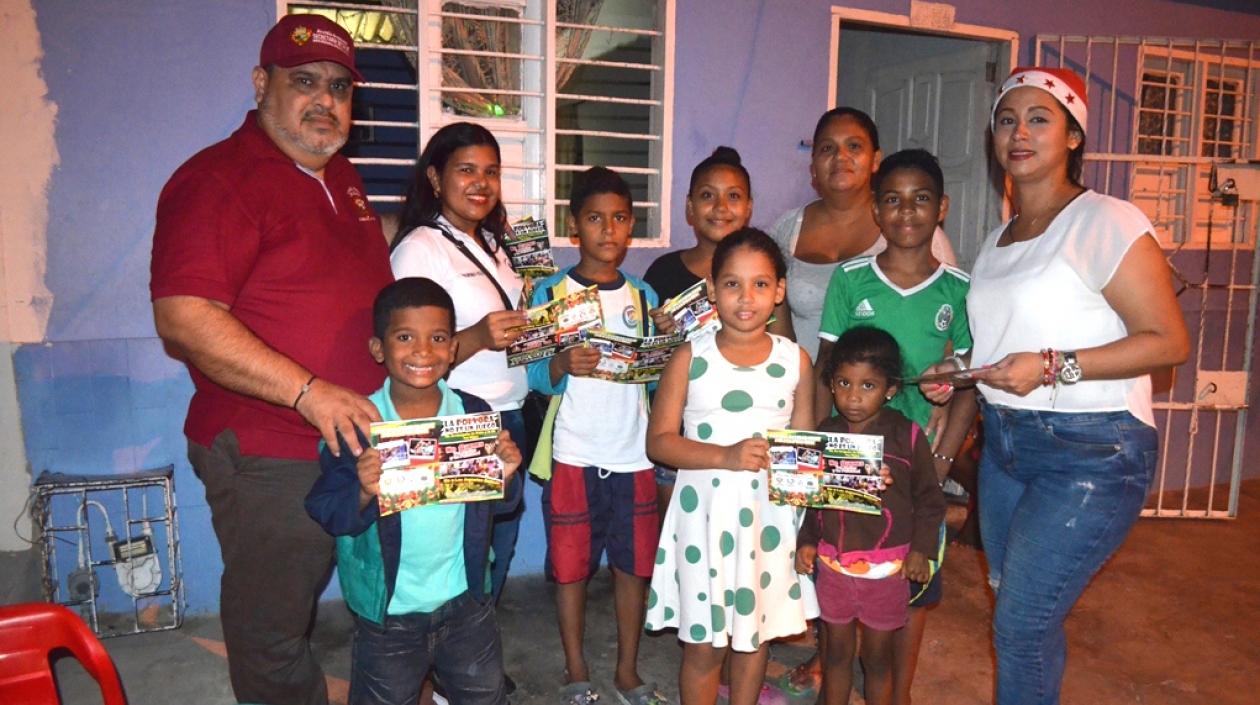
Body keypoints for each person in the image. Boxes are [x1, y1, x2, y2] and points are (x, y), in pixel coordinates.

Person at [923, 66, 1189, 705]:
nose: (1019, 133)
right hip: (1008, 450)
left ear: (1073, 136)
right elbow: (996, 343)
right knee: (1023, 610)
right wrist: (957, 367)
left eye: (1039, 118)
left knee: (1020, 622)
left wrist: (1051, 366)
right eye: (1006, 120)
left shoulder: (1107, 220)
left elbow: (1168, 341)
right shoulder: (997, 241)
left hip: (1092, 451)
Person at [149, 15, 392, 705]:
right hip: (272, 452)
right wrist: (310, 390)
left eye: (340, 88)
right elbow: (184, 316)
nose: (326, 100)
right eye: (305, 81)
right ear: (262, 84)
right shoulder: (219, 179)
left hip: (353, 440)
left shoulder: (339, 175)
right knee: (273, 632)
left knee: (370, 604)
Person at [305, 277, 523, 705]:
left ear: (453, 349)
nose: (423, 351)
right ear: (378, 348)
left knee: (485, 696)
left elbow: (500, 507)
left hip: (466, 604)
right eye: (405, 337)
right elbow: (327, 509)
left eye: (438, 338)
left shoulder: (473, 415)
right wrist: (364, 491)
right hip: (389, 614)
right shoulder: (357, 423)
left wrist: (506, 475)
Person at [816, 148, 977, 704]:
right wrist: (821, 450)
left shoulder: (958, 290)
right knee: (843, 571)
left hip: (918, 464)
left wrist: (943, 458)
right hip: (851, 462)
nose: (907, 212)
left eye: (921, 199)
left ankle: (897, 693)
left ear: (942, 209)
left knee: (910, 587)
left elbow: (970, 384)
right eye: (892, 200)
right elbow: (823, 371)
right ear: (876, 211)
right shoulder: (851, 280)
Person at [644, 228, 818, 705]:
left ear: (780, 291)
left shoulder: (796, 361)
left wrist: (850, 481)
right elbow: (659, 443)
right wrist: (725, 456)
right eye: (732, 284)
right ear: (712, 291)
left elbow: (803, 451)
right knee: (702, 648)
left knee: (754, 636)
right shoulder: (690, 356)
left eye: (761, 284)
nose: (746, 298)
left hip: (769, 523)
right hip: (705, 520)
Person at [526, 167, 668, 705]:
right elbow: (535, 376)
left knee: (634, 567)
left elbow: (654, 377)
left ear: (630, 226)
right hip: (574, 453)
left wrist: (664, 347)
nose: (608, 230)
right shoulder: (551, 291)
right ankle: (576, 668)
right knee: (571, 569)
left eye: (618, 219)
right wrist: (561, 360)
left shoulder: (644, 294)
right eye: (594, 219)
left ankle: (627, 670)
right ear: (573, 227)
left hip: (633, 454)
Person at [390, 122, 531, 607]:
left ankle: (474, 659)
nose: (481, 183)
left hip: (511, 412)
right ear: (434, 178)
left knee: (500, 542)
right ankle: (454, 671)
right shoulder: (420, 248)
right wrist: (476, 336)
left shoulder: (496, 244)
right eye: (466, 170)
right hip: (460, 417)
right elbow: (408, 354)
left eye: (491, 172)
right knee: (463, 552)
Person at [796, 327, 945, 705]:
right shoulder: (825, 434)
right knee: (835, 655)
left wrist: (921, 551)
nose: (852, 396)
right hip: (833, 567)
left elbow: (929, 500)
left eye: (868, 386)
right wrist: (808, 540)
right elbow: (815, 498)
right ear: (830, 382)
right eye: (844, 382)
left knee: (877, 661)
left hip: (886, 571)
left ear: (890, 388)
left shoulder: (906, 436)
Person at [767, 107, 954, 362]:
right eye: (827, 148)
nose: (840, 157)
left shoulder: (910, 227)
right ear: (813, 166)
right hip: (803, 388)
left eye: (854, 146)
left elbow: (947, 319)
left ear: (876, 160)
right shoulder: (786, 230)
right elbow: (769, 317)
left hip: (892, 394)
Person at [644, 146, 755, 523]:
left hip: (746, 424)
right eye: (708, 196)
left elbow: (782, 342)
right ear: (690, 209)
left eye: (733, 196)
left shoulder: (762, 269)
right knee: (677, 541)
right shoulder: (662, 272)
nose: (721, 207)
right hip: (679, 436)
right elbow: (644, 365)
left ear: (749, 207)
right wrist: (667, 339)